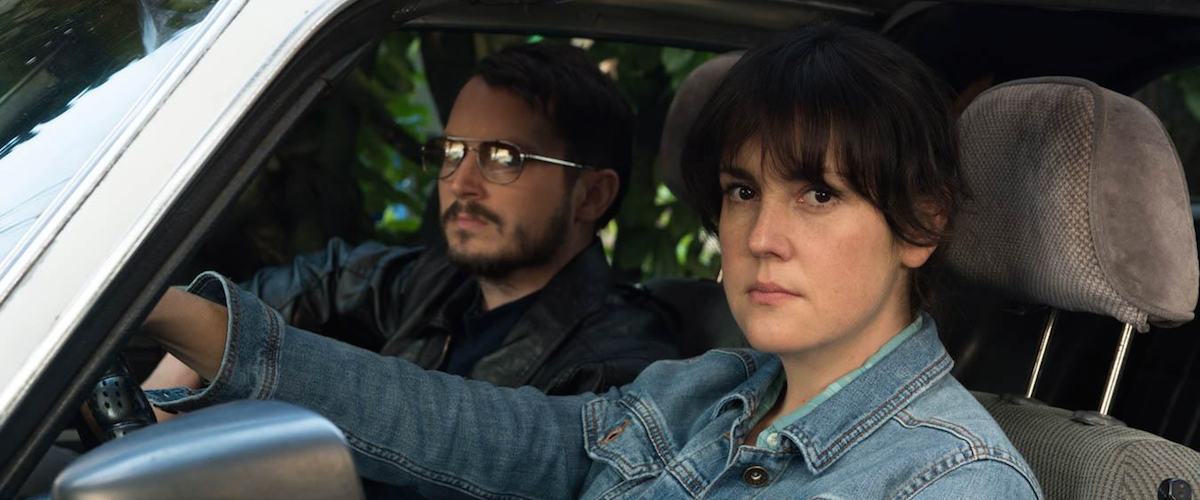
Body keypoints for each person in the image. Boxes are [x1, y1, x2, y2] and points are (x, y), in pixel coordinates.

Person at [142, 25, 1042, 498]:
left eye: (817, 194)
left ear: (920, 224)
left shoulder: (953, 481)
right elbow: (461, 427)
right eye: (741, 190)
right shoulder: (702, 394)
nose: (761, 235)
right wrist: (174, 313)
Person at [143, 42, 680, 402]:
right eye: (451, 152)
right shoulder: (439, 284)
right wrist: (182, 354)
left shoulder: (618, 367)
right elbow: (319, 280)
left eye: (502, 158)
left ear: (591, 195)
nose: (461, 182)